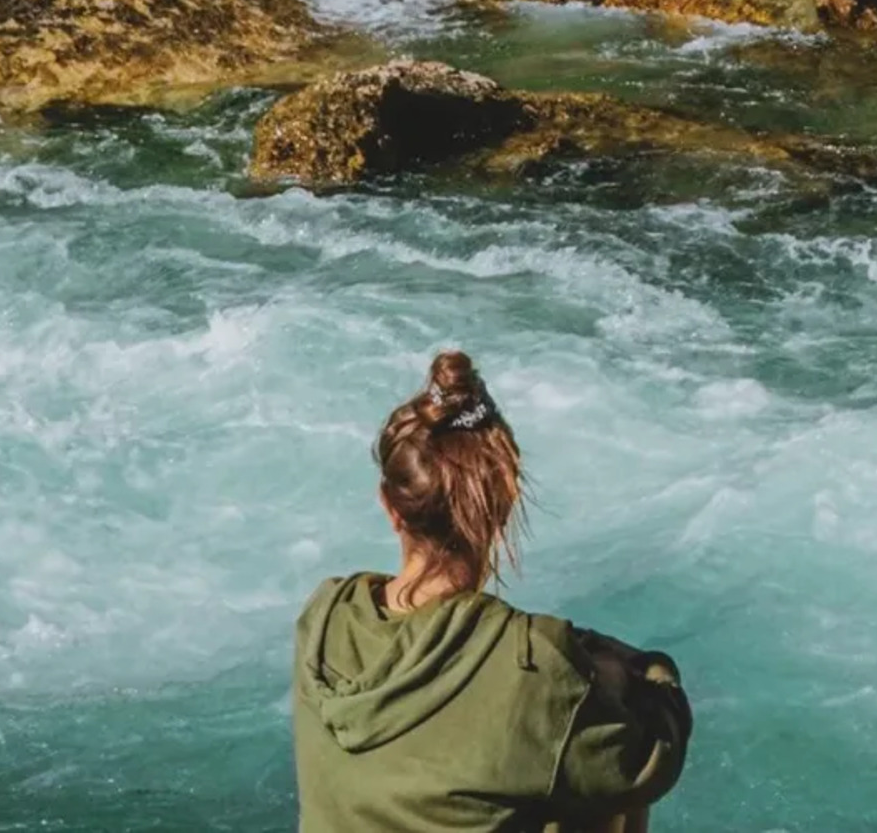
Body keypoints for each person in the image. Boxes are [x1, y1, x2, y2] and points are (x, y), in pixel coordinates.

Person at [293, 351, 691, 833]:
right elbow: (651, 761)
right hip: (562, 692)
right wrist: (650, 675)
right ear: (504, 502)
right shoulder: (534, 672)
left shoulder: (325, 618)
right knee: (599, 786)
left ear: (390, 506)